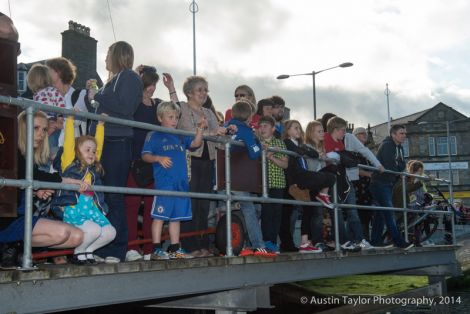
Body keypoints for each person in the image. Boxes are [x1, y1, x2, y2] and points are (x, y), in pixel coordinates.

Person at [0, 111, 84, 267]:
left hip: (21, 216)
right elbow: (31, 174)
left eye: (44, 130)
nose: (41, 134)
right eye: (35, 128)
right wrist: (66, 180)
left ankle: (13, 249)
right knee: (64, 233)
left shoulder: (28, 155)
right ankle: (9, 248)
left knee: (77, 237)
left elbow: (28, 176)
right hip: (7, 219)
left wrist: (33, 190)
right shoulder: (10, 151)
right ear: (22, 129)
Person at [86, 41, 143, 262]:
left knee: (114, 195)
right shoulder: (113, 80)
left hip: (116, 142)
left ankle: (116, 249)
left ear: (118, 55)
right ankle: (103, 247)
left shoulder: (129, 77)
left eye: (108, 52)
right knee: (103, 195)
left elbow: (125, 107)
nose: (105, 57)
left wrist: (97, 95)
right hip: (104, 142)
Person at [124, 66, 179, 262]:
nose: (151, 88)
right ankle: (131, 247)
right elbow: (118, 99)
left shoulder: (157, 105)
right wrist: (131, 75)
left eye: (154, 84)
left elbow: (175, 112)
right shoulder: (133, 103)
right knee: (131, 205)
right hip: (135, 161)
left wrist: (171, 87)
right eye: (148, 84)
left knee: (151, 207)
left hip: (155, 164)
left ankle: (149, 249)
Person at [142, 101, 206, 259]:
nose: (174, 120)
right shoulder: (154, 135)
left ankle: (175, 247)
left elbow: (196, 144)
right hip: (165, 184)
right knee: (159, 216)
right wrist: (158, 158)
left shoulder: (179, 135)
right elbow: (145, 155)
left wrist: (199, 129)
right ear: (159, 117)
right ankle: (156, 248)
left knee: (176, 217)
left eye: (176, 117)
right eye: (170, 117)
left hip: (181, 184)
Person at [51, 114, 116, 265]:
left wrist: (100, 125)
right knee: (93, 230)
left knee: (110, 232)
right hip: (73, 207)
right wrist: (70, 120)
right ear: (76, 151)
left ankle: (88, 251)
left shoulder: (93, 168)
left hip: (91, 208)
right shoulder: (69, 163)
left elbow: (98, 147)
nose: (92, 154)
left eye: (93, 151)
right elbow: (68, 142)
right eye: (87, 150)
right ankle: (79, 252)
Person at [177, 76, 227, 257]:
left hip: (208, 161)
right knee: (191, 203)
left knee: (204, 205)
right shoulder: (183, 108)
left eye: (206, 90)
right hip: (191, 160)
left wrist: (225, 133)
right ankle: (190, 245)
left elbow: (218, 137)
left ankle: (202, 243)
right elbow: (188, 130)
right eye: (200, 90)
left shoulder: (209, 113)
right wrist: (213, 132)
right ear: (189, 92)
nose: (204, 93)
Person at [225, 101, 276, 257]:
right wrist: (260, 146)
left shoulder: (226, 126)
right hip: (236, 179)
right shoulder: (245, 131)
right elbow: (254, 153)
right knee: (249, 208)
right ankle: (258, 246)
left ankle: (242, 244)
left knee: (249, 207)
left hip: (223, 176)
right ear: (249, 116)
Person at [282, 120, 336, 253]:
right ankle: (323, 195)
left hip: (303, 175)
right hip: (298, 177)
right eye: (295, 128)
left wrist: (314, 153)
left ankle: (305, 242)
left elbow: (307, 152)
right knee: (329, 178)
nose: (298, 131)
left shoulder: (299, 145)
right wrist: (316, 154)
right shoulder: (288, 143)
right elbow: (303, 152)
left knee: (309, 209)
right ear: (287, 131)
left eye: (299, 128)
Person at [370, 124, 412, 249]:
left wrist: (398, 166)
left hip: (388, 183)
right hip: (380, 183)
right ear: (393, 134)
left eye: (405, 133)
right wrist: (398, 166)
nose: (404, 136)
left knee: (381, 214)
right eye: (401, 133)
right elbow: (390, 166)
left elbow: (401, 165)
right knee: (388, 212)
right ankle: (399, 242)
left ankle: (375, 241)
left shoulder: (399, 147)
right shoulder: (388, 145)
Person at [258, 115, 288, 253]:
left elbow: (285, 164)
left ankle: (273, 242)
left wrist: (270, 156)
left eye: (266, 126)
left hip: (277, 183)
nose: (262, 128)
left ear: (273, 128)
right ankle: (266, 241)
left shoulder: (279, 143)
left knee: (276, 215)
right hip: (262, 184)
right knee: (266, 214)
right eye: (260, 126)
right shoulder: (256, 142)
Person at [46, 57, 88, 143]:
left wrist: (54, 123)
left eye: (49, 70)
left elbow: (75, 121)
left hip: (73, 150)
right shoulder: (48, 96)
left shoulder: (80, 94)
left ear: (59, 72)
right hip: (51, 149)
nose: (46, 73)